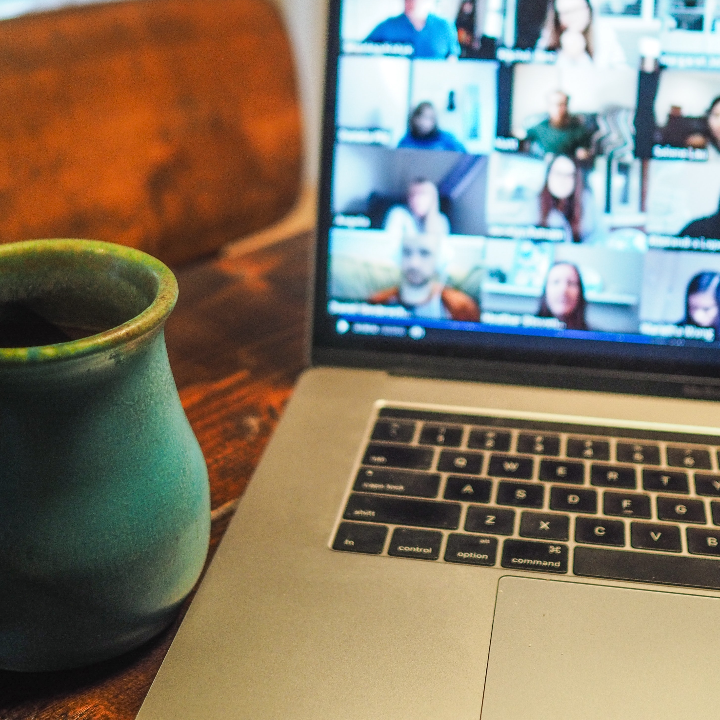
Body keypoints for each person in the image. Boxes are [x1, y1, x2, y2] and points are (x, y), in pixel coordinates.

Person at [369, 232, 480, 321]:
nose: (414, 263)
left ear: (439, 259)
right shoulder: (378, 302)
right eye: (407, 252)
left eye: (424, 253)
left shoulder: (462, 307)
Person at [535, 0, 625, 67]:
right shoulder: (548, 37)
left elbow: (621, 75)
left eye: (576, 10)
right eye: (564, 12)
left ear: (588, 8)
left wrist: (580, 57)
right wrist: (565, 55)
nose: (571, 17)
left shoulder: (605, 35)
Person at [364, 0, 461, 59]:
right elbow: (361, 53)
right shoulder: (387, 27)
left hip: (434, 88)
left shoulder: (444, 27)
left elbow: (452, 60)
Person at [537, 155, 599, 243]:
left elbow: (598, 240)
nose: (562, 180)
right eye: (558, 173)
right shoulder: (534, 205)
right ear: (548, 175)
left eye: (569, 175)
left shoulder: (587, 204)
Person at [524, 91, 592, 160]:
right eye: (556, 104)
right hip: (544, 164)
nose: (560, 108)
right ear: (549, 106)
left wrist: (583, 152)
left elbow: (586, 149)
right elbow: (522, 135)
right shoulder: (540, 128)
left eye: (563, 104)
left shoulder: (578, 130)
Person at [384, 179, 451, 241]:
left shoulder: (441, 220)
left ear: (433, 198)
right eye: (412, 194)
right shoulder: (398, 214)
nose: (416, 199)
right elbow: (390, 244)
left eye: (422, 194)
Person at [537, 261, 589, 330]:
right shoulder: (525, 330)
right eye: (556, 282)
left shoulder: (597, 337)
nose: (563, 290)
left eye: (571, 283)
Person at [398, 102, 466, 152]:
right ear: (415, 119)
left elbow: (465, 155)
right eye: (424, 117)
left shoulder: (447, 139)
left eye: (431, 118)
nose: (426, 122)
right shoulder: (406, 141)